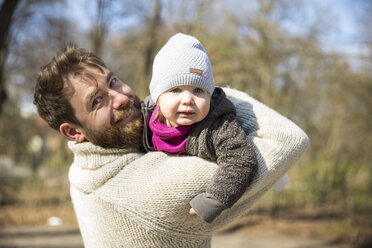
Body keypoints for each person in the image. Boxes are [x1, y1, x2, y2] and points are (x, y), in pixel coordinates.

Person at [33, 40, 309, 247]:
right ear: (73, 132)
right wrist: (201, 91)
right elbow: (286, 138)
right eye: (97, 101)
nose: (120, 97)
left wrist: (178, 91)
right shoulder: (145, 188)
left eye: (113, 82)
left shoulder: (81, 173)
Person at [141, 33, 258, 223]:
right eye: (175, 90)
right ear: (158, 97)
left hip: (190, 219)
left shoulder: (218, 125)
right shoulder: (145, 119)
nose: (188, 99)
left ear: (209, 95)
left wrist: (213, 199)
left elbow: (242, 159)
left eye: (198, 90)